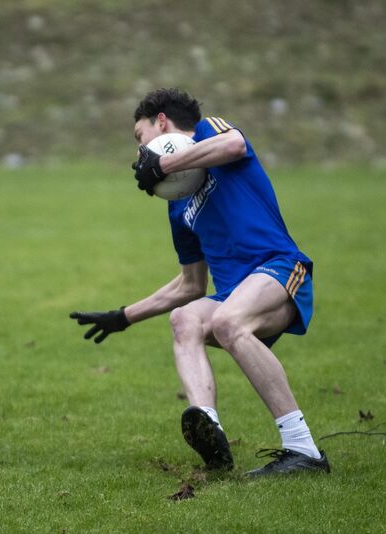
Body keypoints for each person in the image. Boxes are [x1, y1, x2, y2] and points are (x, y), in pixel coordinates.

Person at [70, 88, 329, 476]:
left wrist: (166, 163)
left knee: (227, 321)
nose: (140, 155)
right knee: (185, 319)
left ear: (162, 122)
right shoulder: (178, 206)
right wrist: (123, 316)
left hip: (279, 269)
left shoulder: (212, 133)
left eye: (141, 140)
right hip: (235, 293)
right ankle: (211, 432)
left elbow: (236, 143)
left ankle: (303, 450)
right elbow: (189, 285)